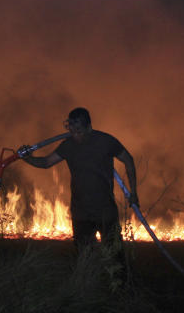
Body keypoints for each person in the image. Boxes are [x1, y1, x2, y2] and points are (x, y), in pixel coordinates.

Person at [19, 107, 138, 259]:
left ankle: (119, 282)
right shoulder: (68, 145)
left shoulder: (106, 141)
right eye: (72, 130)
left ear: (89, 127)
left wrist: (133, 192)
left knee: (115, 256)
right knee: (84, 257)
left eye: (79, 131)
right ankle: (87, 282)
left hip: (105, 210)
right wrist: (28, 158)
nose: (75, 135)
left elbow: (128, 160)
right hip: (81, 212)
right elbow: (46, 162)